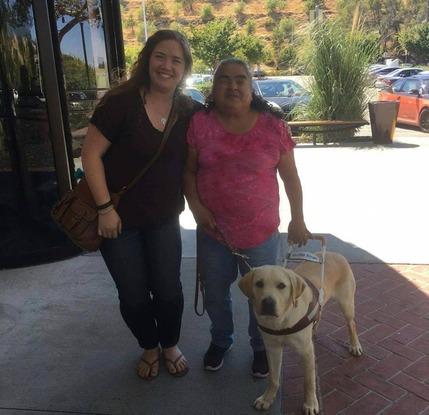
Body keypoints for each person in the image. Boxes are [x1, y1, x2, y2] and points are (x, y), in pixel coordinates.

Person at [81, 30, 200, 380]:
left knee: (168, 289)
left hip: (164, 219)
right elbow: (90, 155)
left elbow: (227, 115)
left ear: (184, 69)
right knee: (133, 295)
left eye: (176, 60)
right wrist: (104, 208)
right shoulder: (121, 102)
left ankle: (170, 344)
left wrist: (262, 108)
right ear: (148, 59)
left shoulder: (188, 109)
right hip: (118, 222)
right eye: (161, 56)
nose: (167, 66)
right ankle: (149, 346)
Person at [183, 58, 311, 377]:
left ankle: (260, 346)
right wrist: (196, 208)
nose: (232, 85)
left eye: (240, 79)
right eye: (224, 79)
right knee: (214, 293)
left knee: (265, 296)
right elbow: (188, 171)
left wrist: (298, 219)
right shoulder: (200, 123)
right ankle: (221, 340)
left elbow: (291, 177)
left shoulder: (273, 125)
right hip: (214, 232)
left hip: (261, 233)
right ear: (214, 86)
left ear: (250, 85)